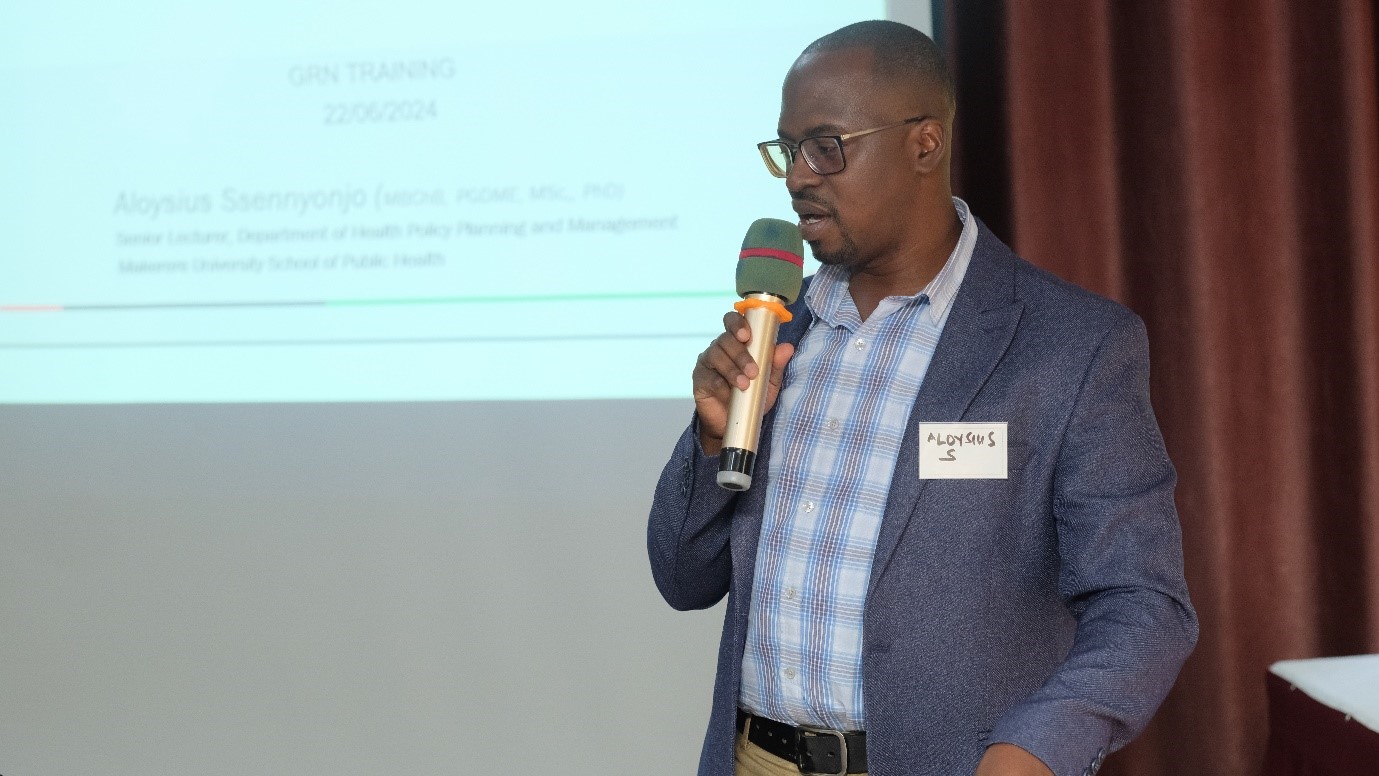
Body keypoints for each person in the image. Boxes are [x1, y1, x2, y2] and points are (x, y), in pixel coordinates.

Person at [647, 19, 1197, 776]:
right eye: (787, 148)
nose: (797, 177)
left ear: (923, 143)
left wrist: (1040, 744)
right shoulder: (776, 332)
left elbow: (1142, 604)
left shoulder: (1070, 346)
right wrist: (712, 444)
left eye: (826, 146)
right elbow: (683, 580)